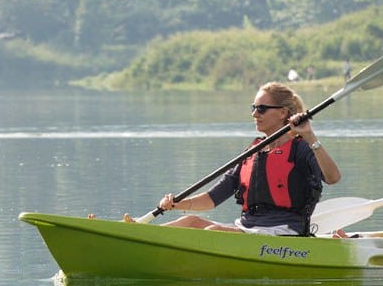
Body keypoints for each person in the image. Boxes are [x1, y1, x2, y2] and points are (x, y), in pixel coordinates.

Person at [126, 81, 342, 236]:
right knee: (189, 221)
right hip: (248, 228)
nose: (254, 114)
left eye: (261, 109)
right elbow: (212, 198)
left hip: (283, 232)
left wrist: (309, 135)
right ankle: (139, 236)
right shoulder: (253, 152)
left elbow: (333, 178)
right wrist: (177, 204)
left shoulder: (301, 148)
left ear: (283, 113)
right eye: (253, 108)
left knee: (214, 231)